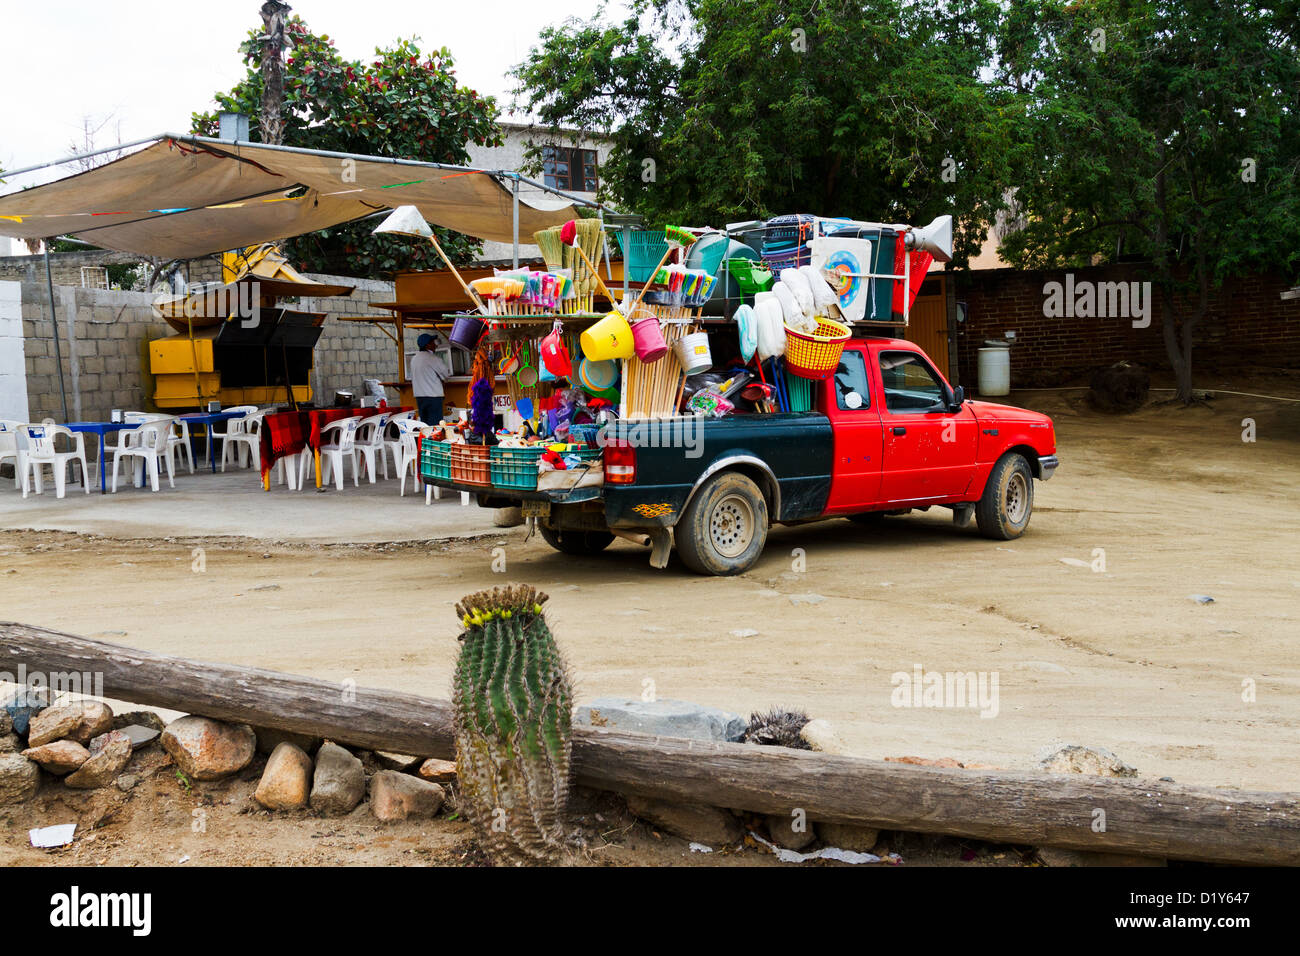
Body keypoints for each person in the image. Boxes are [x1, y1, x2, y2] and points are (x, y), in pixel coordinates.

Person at [410, 333, 450, 424]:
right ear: (427, 345)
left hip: (420, 397)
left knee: (425, 425)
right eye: (433, 342)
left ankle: (426, 438)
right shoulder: (433, 358)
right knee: (435, 426)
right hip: (433, 397)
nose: (435, 345)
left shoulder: (414, 359)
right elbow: (446, 375)